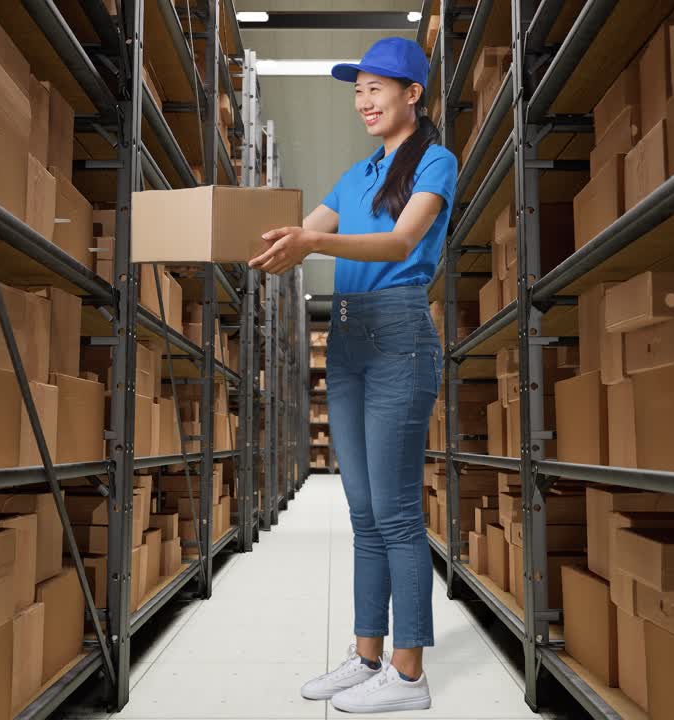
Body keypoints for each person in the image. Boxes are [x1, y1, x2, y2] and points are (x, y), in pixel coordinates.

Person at [249, 36, 457, 714]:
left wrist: (314, 243)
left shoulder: (435, 162)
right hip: (347, 339)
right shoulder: (356, 174)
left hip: (399, 333)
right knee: (362, 511)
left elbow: (401, 242)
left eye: (376, 87)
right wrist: (229, 234)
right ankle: (367, 655)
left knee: (396, 512)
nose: (364, 100)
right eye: (358, 89)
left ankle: (408, 674)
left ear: (412, 94)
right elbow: (287, 232)